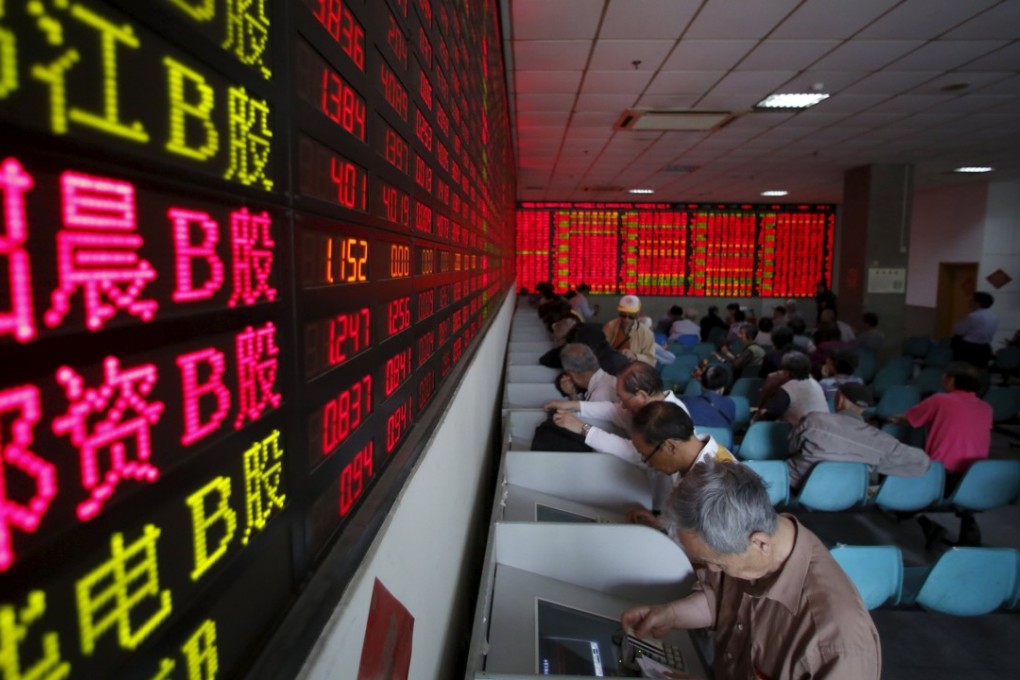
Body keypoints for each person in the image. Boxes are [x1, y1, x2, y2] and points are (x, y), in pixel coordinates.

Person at [621, 459, 881, 680]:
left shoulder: (837, 642)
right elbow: (718, 600)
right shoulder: (748, 543)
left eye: (718, 563)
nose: (712, 569)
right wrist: (671, 615)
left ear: (760, 543)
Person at [890, 362, 993, 545]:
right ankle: (968, 523)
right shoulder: (986, 408)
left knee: (892, 485)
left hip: (941, 476)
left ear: (951, 380)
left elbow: (909, 419)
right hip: (975, 478)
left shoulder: (940, 400)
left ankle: (925, 523)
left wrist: (890, 417)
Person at [543, 361, 690, 467]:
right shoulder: (652, 403)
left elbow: (635, 452)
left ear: (642, 396)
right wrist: (573, 405)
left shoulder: (668, 418)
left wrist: (583, 428)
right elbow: (613, 410)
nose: (623, 405)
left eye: (623, 399)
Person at [787, 383, 929, 489]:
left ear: (839, 399)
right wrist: (879, 465)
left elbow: (790, 447)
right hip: (848, 494)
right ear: (864, 409)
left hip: (799, 487)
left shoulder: (814, 420)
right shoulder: (882, 440)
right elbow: (922, 462)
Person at [626, 401, 736, 528]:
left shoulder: (713, 485)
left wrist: (666, 529)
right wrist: (661, 523)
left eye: (646, 456)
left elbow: (705, 538)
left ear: (670, 446)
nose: (649, 464)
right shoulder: (698, 455)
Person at [757, 351, 828, 425]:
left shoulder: (788, 388)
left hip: (805, 429)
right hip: (825, 426)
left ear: (787, 372)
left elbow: (772, 415)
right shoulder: (815, 382)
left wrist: (762, 412)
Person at [602, 295, 656, 366]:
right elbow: (600, 349)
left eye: (631, 316)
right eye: (623, 315)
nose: (626, 319)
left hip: (632, 369)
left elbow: (651, 360)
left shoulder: (646, 333)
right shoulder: (610, 326)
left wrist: (635, 356)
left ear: (637, 315)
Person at [679, 365, 736, 430]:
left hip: (699, 436)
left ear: (701, 383)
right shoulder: (730, 404)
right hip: (723, 437)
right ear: (723, 388)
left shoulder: (688, 403)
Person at [951, 291, 998, 367]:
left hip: (969, 348)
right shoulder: (993, 316)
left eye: (972, 300)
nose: (969, 301)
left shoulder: (973, 316)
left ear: (978, 303)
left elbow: (959, 331)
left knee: (963, 369)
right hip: (985, 348)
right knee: (979, 369)